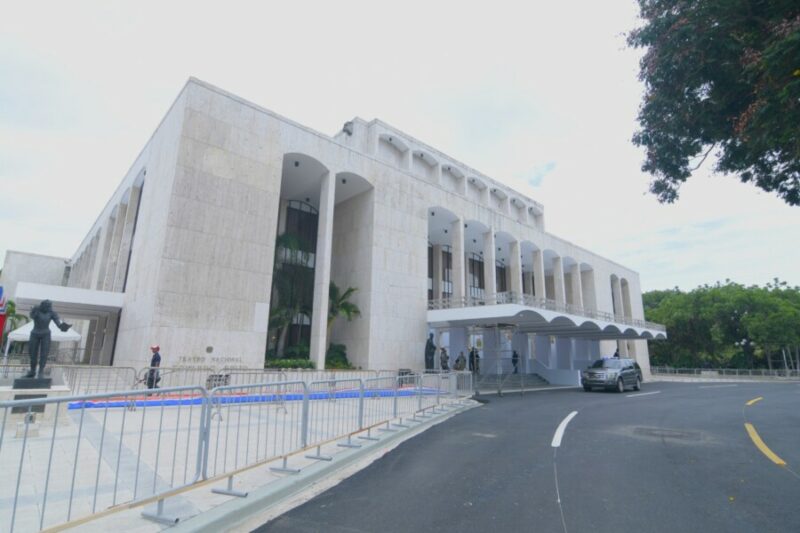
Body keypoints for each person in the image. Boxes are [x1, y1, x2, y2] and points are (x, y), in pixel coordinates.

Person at [26, 299, 71, 378]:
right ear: (42, 305)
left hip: (46, 334)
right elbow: (32, 316)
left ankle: (40, 371)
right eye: (47, 306)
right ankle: (32, 371)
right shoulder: (37, 310)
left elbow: (58, 323)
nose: (49, 308)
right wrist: (34, 310)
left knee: (44, 353)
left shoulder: (52, 313)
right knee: (33, 353)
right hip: (35, 333)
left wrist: (63, 327)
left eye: (50, 306)